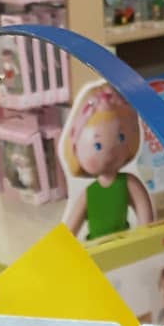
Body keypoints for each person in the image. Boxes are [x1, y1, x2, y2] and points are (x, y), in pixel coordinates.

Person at [62, 82, 155, 241]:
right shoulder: (89, 194)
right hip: (97, 249)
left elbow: (145, 214)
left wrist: (145, 237)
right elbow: (69, 230)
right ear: (75, 148)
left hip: (124, 245)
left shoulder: (128, 183)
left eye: (121, 137)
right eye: (97, 145)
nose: (110, 152)